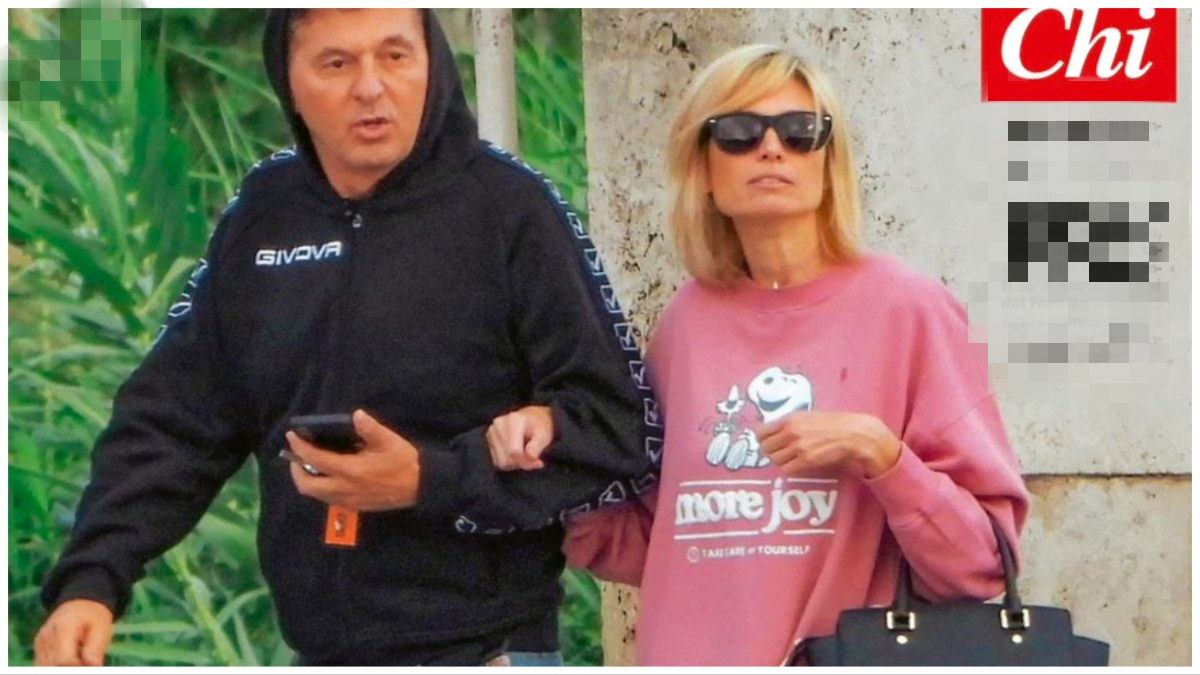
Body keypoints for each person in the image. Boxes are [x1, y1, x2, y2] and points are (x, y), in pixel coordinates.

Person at [34, 8, 657, 667]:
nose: (370, 86)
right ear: (289, 82)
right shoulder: (265, 213)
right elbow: (174, 417)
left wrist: (431, 479)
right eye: (336, 63)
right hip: (317, 651)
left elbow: (615, 425)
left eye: (395, 56)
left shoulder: (509, 206)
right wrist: (92, 579)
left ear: (432, 64)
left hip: (490, 648)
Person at [489, 44, 1030, 666]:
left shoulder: (909, 311)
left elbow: (981, 563)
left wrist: (880, 452)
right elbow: (648, 544)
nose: (772, 148)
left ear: (829, 161)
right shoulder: (686, 322)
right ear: (702, 166)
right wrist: (554, 445)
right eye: (740, 132)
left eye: (801, 131)